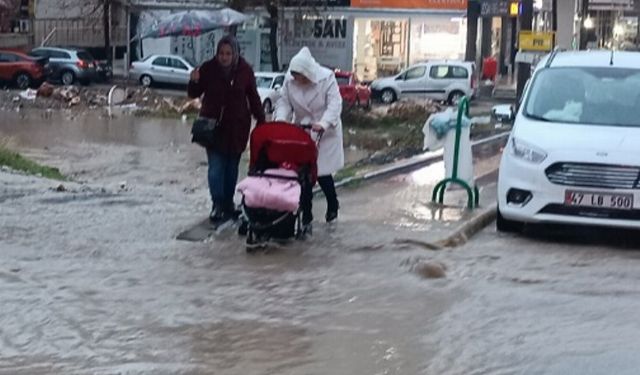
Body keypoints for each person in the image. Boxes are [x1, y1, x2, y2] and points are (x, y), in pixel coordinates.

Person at [188, 35, 265, 223]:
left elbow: (253, 96)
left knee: (231, 169)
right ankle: (217, 204)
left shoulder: (245, 70)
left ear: (235, 53)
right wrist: (194, 80)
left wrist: (261, 120)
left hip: (237, 128)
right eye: (221, 53)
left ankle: (228, 204)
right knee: (215, 168)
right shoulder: (208, 69)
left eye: (228, 53)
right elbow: (193, 93)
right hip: (213, 128)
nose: (224, 57)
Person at [274, 47, 344, 228]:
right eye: (295, 76)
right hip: (302, 130)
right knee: (303, 172)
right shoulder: (289, 82)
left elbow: (335, 104)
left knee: (321, 172)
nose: (298, 80)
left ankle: (333, 204)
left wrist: (324, 123)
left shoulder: (326, 78)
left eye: (301, 76)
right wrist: (281, 120)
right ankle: (306, 213)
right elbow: (284, 102)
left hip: (324, 131)